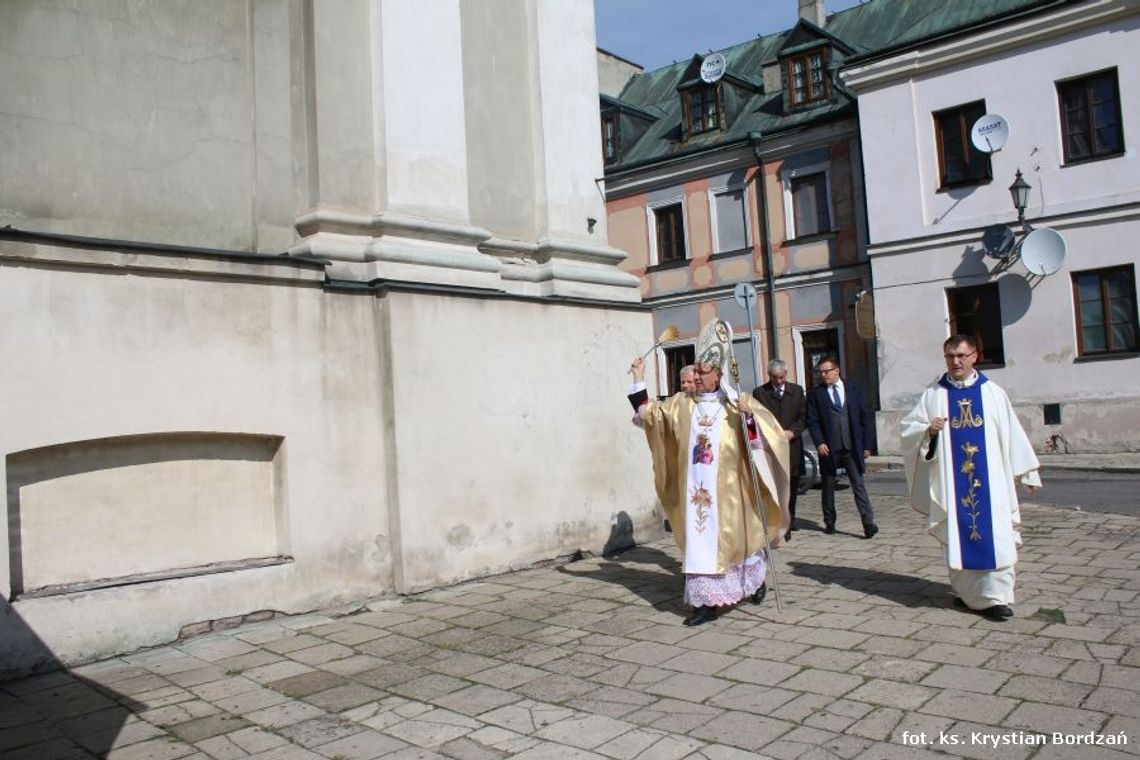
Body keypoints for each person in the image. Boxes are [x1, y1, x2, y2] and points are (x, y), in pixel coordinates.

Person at [627, 319, 789, 626]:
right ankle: (705, 604)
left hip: (731, 492)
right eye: (696, 371)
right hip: (695, 493)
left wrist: (749, 418)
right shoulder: (680, 405)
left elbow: (765, 440)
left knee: (739, 540)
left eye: (703, 372)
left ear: (718, 375)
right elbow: (647, 416)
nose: (697, 376)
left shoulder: (735, 406)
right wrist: (639, 378)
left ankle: (753, 582)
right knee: (701, 544)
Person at [900, 335, 1041, 622]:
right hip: (954, 485)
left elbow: (1012, 433)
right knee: (958, 535)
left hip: (993, 485)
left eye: (961, 356)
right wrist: (929, 431)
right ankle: (968, 596)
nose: (956, 362)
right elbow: (909, 431)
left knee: (997, 536)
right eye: (950, 356)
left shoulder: (993, 393)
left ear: (974, 356)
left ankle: (997, 598)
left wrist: (1027, 471)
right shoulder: (934, 395)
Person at [805, 355, 879, 538]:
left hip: (851, 447)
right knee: (828, 487)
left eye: (826, 371)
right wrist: (819, 442)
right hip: (829, 448)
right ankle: (830, 521)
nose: (823, 375)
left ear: (837, 370)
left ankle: (868, 523)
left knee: (858, 485)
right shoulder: (816, 393)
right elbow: (812, 421)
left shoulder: (853, 389)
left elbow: (866, 417)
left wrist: (868, 444)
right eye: (820, 372)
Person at [753, 359, 806, 542]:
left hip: (791, 446)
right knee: (775, 485)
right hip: (771, 449)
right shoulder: (760, 393)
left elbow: (802, 417)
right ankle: (778, 521)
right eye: (775, 378)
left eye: (782, 377)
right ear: (769, 376)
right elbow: (757, 418)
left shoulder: (797, 391)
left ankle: (789, 520)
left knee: (791, 484)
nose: (779, 381)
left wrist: (792, 432)